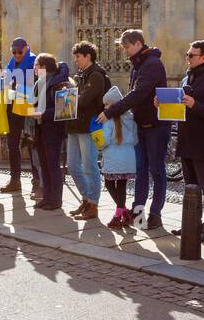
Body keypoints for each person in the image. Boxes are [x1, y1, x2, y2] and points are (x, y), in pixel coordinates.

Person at [95, 28, 170, 231]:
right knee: (141, 171)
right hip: (142, 125)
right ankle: (138, 216)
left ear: (138, 43)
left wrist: (112, 112)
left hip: (156, 126)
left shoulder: (152, 64)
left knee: (156, 170)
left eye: (127, 46)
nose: (126, 50)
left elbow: (139, 94)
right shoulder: (139, 64)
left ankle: (155, 215)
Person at [171, 40, 204, 243]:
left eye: (191, 55)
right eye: (187, 54)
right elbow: (179, 109)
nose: (187, 57)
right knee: (189, 187)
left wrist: (195, 105)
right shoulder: (186, 80)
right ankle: (191, 224)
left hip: (202, 140)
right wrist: (164, 103)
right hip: (185, 139)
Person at [64, 41, 109, 221]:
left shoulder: (96, 75)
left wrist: (68, 96)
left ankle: (93, 204)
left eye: (78, 57)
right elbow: (77, 98)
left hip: (88, 125)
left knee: (90, 166)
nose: (75, 60)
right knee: (72, 165)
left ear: (88, 56)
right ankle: (85, 198)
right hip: (74, 125)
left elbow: (84, 100)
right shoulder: (81, 75)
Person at [31, 54, 72, 211]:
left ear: (44, 67)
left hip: (53, 130)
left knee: (53, 165)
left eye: (36, 65)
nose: (34, 68)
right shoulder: (39, 82)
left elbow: (64, 109)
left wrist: (43, 113)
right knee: (44, 164)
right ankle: (47, 197)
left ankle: (56, 200)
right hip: (40, 128)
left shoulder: (60, 82)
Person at [96, 85, 138, 229]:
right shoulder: (131, 118)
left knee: (109, 184)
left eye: (107, 104)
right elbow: (136, 139)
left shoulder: (108, 120)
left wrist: (96, 141)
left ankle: (118, 215)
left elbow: (105, 141)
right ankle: (124, 212)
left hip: (114, 159)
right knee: (121, 186)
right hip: (128, 158)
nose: (105, 107)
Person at [1, 37, 36, 194]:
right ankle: (15, 180)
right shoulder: (10, 64)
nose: (16, 55)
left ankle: (37, 180)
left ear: (26, 48)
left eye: (19, 52)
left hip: (28, 108)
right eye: (13, 52)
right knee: (12, 145)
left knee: (31, 145)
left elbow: (38, 85)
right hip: (12, 108)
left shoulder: (34, 61)